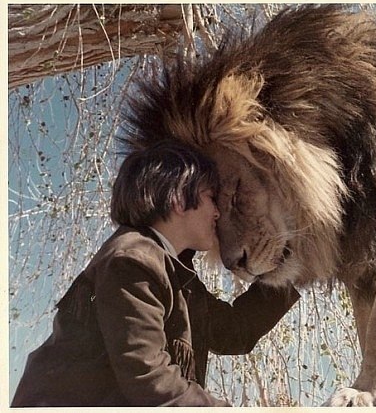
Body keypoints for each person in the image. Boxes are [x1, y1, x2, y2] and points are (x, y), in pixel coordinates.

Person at [11, 140, 300, 407]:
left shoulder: (173, 275)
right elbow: (149, 378)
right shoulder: (132, 260)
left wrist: (291, 264)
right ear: (178, 199)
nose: (217, 213)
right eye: (212, 198)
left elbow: (235, 332)